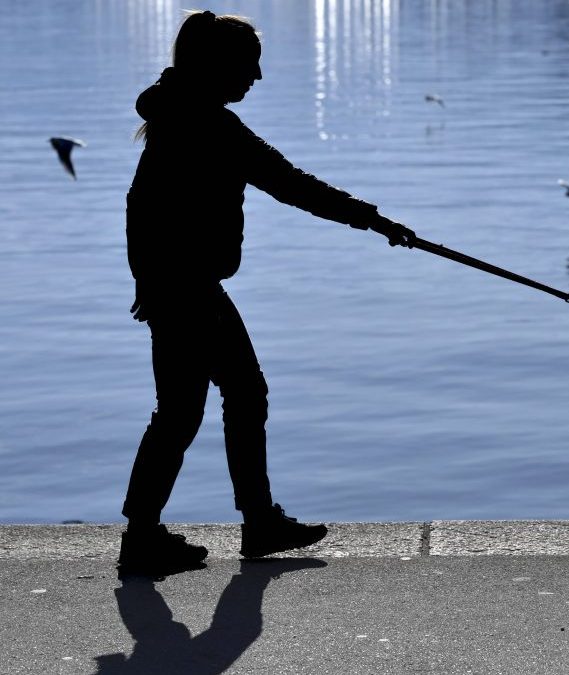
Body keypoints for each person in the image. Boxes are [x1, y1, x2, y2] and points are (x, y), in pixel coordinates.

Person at [118, 10, 413, 576]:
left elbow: (140, 207)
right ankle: (251, 524)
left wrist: (146, 282)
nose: (256, 77)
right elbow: (289, 182)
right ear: (218, 66)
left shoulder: (184, 115)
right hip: (187, 286)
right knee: (234, 395)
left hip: (176, 284)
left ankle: (156, 534)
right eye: (249, 65)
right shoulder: (206, 125)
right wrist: (375, 222)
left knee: (186, 410)